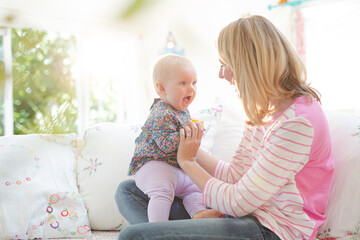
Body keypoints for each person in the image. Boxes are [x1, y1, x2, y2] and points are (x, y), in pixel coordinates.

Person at [115, 15, 334, 240]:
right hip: (245, 216)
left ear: (248, 65)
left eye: (224, 65)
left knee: (134, 236)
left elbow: (237, 202)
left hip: (274, 229)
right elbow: (235, 175)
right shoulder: (266, 111)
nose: (222, 74)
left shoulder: (296, 123)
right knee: (129, 192)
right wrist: (189, 145)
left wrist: (188, 162)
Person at [125, 53, 223, 223]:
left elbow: (187, 153)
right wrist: (188, 135)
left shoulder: (183, 111)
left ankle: (198, 212)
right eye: (183, 83)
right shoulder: (160, 112)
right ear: (162, 89)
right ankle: (158, 227)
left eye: (194, 83)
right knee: (162, 191)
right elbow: (165, 144)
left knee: (195, 188)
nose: (191, 88)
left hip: (175, 168)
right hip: (152, 165)